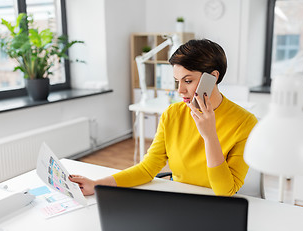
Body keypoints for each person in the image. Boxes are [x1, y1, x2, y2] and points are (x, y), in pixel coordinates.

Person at [69, 39, 258, 196]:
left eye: (188, 80)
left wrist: (210, 136)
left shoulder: (245, 122)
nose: (180, 91)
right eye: (177, 81)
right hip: (178, 201)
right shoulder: (173, 114)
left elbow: (224, 191)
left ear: (213, 77)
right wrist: (97, 185)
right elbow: (147, 169)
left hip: (217, 208)